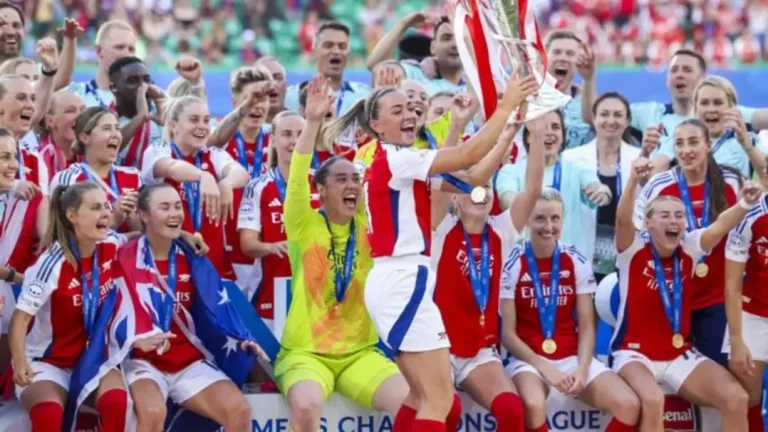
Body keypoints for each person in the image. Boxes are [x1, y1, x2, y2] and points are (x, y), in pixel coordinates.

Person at [326, 71, 536, 430]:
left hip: (400, 280)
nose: (409, 114)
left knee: (422, 397)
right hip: (402, 279)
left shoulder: (400, 161)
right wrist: (505, 106)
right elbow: (467, 153)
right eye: (396, 111)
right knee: (439, 401)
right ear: (376, 125)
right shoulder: (396, 159)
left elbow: (472, 180)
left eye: (410, 108)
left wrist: (509, 131)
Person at [275, 77, 407, 432]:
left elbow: (386, 164)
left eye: (355, 180)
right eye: (341, 180)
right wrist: (313, 122)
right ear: (320, 190)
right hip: (306, 354)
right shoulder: (303, 224)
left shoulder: (367, 223)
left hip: (360, 354)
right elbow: (297, 175)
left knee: (411, 401)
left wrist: (390, 119)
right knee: (306, 406)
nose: (352, 185)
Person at [612, 156, 758, 431]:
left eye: (679, 215)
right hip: (633, 354)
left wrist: (745, 204)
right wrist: (632, 180)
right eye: (665, 215)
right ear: (648, 223)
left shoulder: (689, 248)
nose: (674, 221)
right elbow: (621, 219)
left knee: (737, 398)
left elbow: (719, 226)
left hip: (678, 353)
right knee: (653, 400)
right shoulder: (632, 248)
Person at [430, 108, 544, 431]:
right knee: (447, 411)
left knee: (511, 410)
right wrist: (456, 125)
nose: (479, 192)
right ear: (455, 199)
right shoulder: (440, 230)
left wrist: (535, 135)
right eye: (470, 187)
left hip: (480, 351)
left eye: (486, 187)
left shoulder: (501, 232)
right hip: (437, 348)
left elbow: (532, 191)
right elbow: (439, 184)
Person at [121, 183, 259, 432]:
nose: (175, 213)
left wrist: (242, 338)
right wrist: (133, 340)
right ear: (142, 214)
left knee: (240, 411)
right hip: (142, 361)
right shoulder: (123, 256)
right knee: (152, 413)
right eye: (165, 207)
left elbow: (217, 309)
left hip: (187, 360)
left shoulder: (193, 256)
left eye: (177, 206)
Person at [500, 188, 641, 432]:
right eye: (540, 218)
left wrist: (583, 369)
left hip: (572, 357)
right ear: (527, 220)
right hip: (529, 360)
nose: (548, 226)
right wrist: (546, 369)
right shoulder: (512, 262)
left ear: (563, 220)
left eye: (555, 218)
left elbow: (587, 325)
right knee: (533, 404)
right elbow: (508, 335)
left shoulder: (575, 258)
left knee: (628, 405)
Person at [8, 183, 130, 432]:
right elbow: (20, 319)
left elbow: (141, 238)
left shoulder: (110, 243)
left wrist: (184, 236)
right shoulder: (50, 263)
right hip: (47, 362)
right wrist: (20, 363)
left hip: (92, 357)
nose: (106, 214)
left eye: (106, 206)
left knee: (117, 402)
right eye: (95, 208)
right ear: (71, 215)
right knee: (48, 414)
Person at [635, 119, 743, 368]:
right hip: (670, 299)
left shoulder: (731, 181)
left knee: (719, 374)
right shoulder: (659, 185)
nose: (686, 150)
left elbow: (744, 231)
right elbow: (638, 238)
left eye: (693, 142)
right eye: (679, 144)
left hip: (716, 300)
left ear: (708, 145)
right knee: (669, 377)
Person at [141, 96, 249, 281]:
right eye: (194, 120)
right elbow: (171, 168)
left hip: (212, 264)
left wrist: (227, 183)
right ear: (173, 125)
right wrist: (203, 176)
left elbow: (240, 172)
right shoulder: (158, 150)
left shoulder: (213, 155)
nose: (202, 126)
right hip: (170, 266)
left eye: (206, 120)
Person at [495, 109, 612, 265]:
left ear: (563, 136)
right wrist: (519, 206)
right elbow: (508, 200)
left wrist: (601, 192)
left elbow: (598, 187)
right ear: (528, 137)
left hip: (568, 266)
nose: (549, 133)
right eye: (542, 127)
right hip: (526, 266)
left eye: (555, 127)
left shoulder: (578, 170)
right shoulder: (511, 172)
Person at [238, 111, 321, 321]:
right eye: (287, 134)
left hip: (317, 291)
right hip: (271, 292)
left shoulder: (322, 184)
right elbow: (247, 244)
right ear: (273, 140)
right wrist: (271, 247)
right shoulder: (257, 187)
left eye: (300, 134)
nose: (294, 141)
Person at [562, 92, 642, 280]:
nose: (611, 121)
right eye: (604, 114)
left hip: (625, 251)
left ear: (628, 121)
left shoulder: (639, 159)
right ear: (594, 118)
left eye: (618, 115)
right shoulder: (570, 158)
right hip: (579, 250)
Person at [724, 158, 768, 432]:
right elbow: (731, 283)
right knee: (746, 398)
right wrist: (737, 339)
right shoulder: (749, 217)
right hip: (753, 315)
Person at [652, 76, 767, 177]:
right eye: (704, 103)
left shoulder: (747, 138)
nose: (711, 109)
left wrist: (747, 145)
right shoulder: (680, 139)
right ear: (695, 107)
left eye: (718, 103)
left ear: (731, 107)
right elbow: (652, 174)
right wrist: (646, 155)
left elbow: (766, 176)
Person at [50, 107, 142, 232]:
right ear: (85, 138)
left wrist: (129, 215)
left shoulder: (134, 176)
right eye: (106, 128)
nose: (115, 134)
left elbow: (145, 235)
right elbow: (64, 234)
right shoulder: (69, 179)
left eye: (117, 128)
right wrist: (114, 220)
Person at [284, 22, 371, 117]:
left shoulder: (364, 96)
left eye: (342, 46)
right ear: (314, 52)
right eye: (328, 45)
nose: (336, 51)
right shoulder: (291, 97)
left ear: (348, 53)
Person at [367, 13, 465, 95]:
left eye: (461, 38)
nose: (455, 45)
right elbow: (377, 66)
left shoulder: (473, 84)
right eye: (446, 38)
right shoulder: (414, 74)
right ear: (433, 47)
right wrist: (403, 25)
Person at [109, 56, 165, 168]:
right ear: (114, 88)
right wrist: (141, 117)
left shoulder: (160, 115)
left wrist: (161, 104)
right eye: (132, 81)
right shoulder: (103, 118)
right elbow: (108, 149)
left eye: (146, 80)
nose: (143, 86)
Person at [67, 20, 137, 109]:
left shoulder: (145, 97)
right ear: (99, 51)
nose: (127, 54)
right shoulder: (77, 94)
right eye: (119, 47)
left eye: (131, 49)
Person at [37, 91, 86, 176]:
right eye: (70, 111)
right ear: (50, 121)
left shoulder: (91, 152)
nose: (81, 116)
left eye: (83, 110)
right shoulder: (40, 161)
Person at [254, 56, 288, 124]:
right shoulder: (236, 128)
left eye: (278, 78)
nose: (272, 86)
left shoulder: (302, 125)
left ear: (286, 85)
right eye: (264, 79)